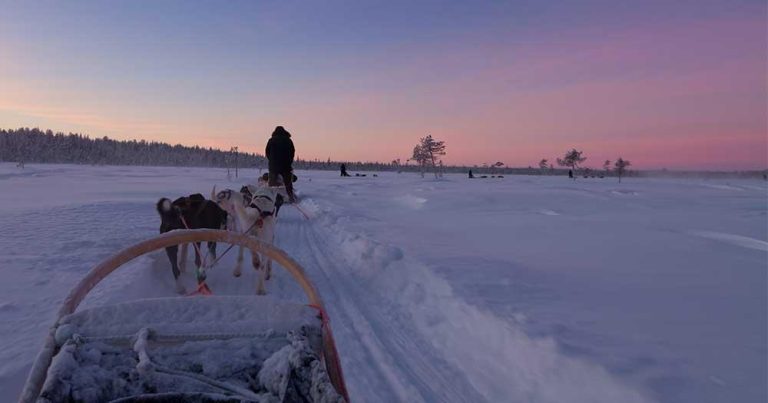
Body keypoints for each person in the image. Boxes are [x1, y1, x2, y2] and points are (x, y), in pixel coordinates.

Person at [265, 126, 297, 203]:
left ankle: (270, 198)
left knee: (272, 183)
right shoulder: (289, 140)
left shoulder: (271, 140)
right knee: (288, 183)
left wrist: (272, 161)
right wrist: (289, 161)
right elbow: (292, 152)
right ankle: (290, 196)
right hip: (286, 166)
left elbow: (267, 152)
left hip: (274, 166)